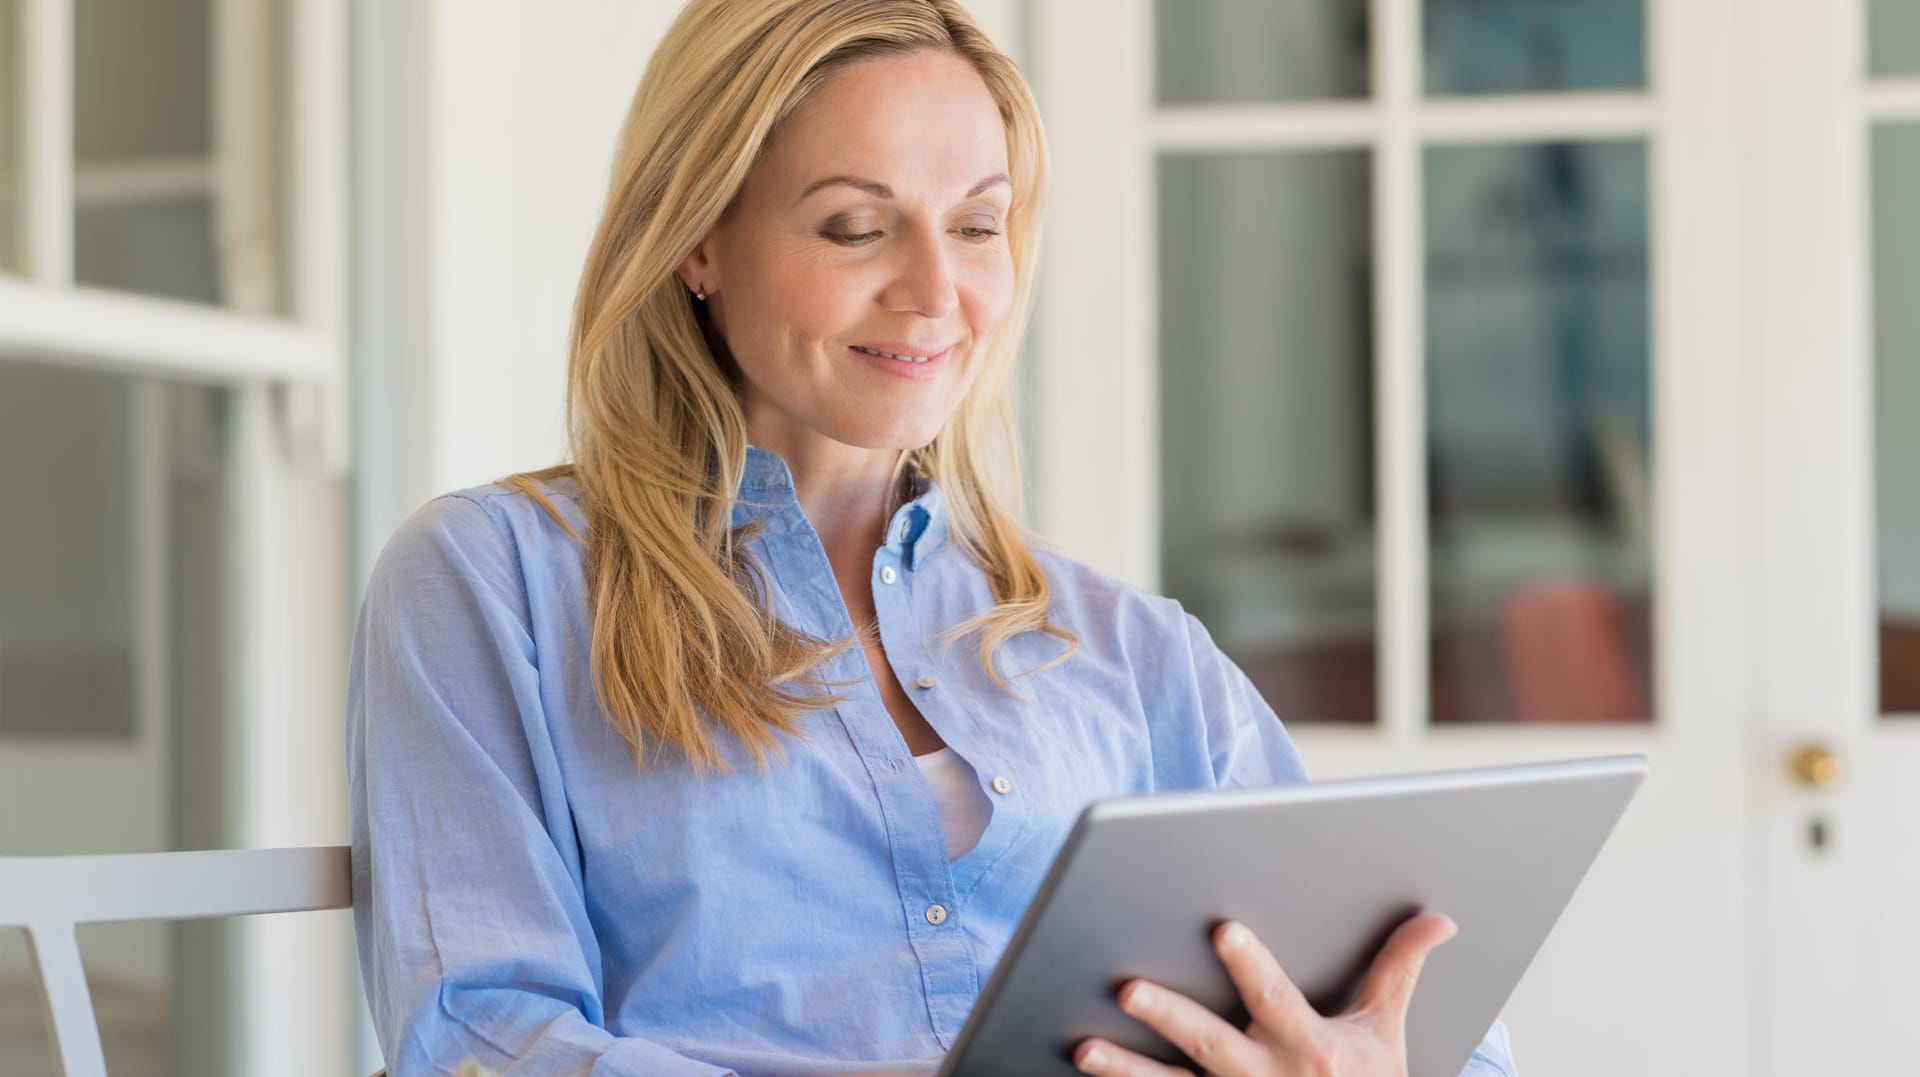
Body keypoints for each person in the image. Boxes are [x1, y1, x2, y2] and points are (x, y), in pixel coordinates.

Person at [347, 2, 1518, 1075]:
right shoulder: (493, 583)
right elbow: (484, 1034)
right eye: (856, 227)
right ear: (696, 241)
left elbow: (1426, 1026)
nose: (934, 290)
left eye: (977, 225)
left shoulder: (1132, 653)